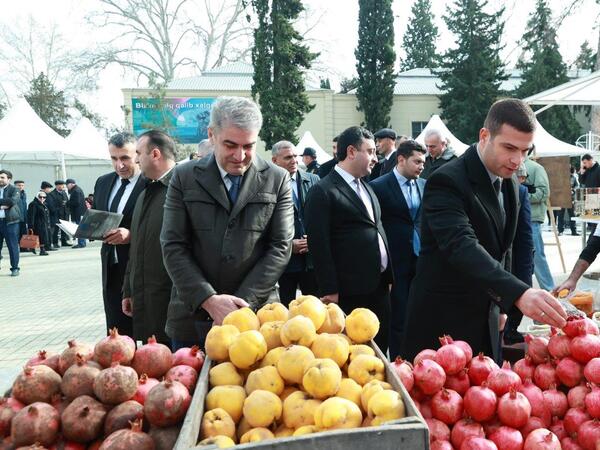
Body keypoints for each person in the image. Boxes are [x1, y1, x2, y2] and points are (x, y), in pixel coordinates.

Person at [401, 98, 567, 362]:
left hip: (488, 322)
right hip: (442, 327)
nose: (517, 160)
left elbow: (506, 248)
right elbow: (461, 245)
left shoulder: (510, 181)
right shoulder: (446, 180)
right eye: (509, 147)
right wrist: (518, 293)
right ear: (484, 136)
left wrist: (505, 305)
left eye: (525, 151)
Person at [161, 96, 294, 350]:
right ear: (212, 135)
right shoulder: (184, 177)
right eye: (230, 145)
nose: (240, 156)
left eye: (248, 146)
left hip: (258, 316)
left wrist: (237, 309)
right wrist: (209, 300)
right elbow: (172, 245)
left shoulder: (277, 179)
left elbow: (280, 247)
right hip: (193, 314)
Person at [304, 126, 392, 352]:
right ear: (351, 152)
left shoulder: (367, 187)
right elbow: (319, 245)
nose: (375, 158)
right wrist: (329, 290)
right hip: (348, 291)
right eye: (370, 152)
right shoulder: (323, 191)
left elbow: (376, 228)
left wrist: (388, 274)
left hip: (378, 287)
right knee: (353, 353)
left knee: (379, 351)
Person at [370, 139, 426, 358]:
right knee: (397, 316)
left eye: (424, 162)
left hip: (420, 260)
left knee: (419, 315)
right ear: (401, 159)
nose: (422, 166)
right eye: (417, 161)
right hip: (394, 262)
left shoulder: (424, 185)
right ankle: (398, 362)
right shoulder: (379, 186)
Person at [121, 130, 176, 346]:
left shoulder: (184, 190)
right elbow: (136, 248)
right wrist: (129, 290)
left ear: (155, 154)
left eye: (138, 153)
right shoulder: (145, 193)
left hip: (172, 304)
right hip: (145, 300)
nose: (135, 159)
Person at [93, 132, 148, 337]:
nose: (120, 165)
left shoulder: (150, 183)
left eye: (125, 158)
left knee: (144, 331)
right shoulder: (103, 182)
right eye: (114, 159)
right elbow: (100, 215)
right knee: (116, 331)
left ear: (137, 155)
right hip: (111, 265)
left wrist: (132, 235)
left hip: (139, 268)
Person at [272, 141, 320, 306]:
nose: (293, 160)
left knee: (315, 310)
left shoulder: (313, 180)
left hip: (312, 261)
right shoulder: (267, 185)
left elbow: (321, 216)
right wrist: (288, 245)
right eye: (287, 157)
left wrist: (313, 240)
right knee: (287, 310)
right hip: (285, 264)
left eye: (295, 156)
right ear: (274, 161)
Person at [504, 163, 535, 345]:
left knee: (520, 286)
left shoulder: (520, 192)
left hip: (515, 254)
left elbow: (525, 235)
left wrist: (526, 270)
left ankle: (511, 328)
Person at [524, 156, 555, 291]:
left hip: (531, 218)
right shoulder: (506, 166)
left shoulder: (536, 168)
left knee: (537, 257)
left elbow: (543, 193)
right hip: (513, 217)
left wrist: (521, 194)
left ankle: (550, 291)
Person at [0, 170, 21, 276]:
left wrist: (6, 202)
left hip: (10, 223)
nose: (0, 179)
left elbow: (12, 201)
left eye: (2, 177)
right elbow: (8, 202)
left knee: (12, 246)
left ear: (9, 179)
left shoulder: (14, 189)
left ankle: (15, 268)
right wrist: (4, 203)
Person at [27, 191, 52, 256]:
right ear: (37, 197)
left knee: (43, 237)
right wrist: (31, 226)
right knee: (40, 237)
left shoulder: (44, 204)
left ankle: (37, 248)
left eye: (44, 197)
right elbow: (31, 215)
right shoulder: (33, 204)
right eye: (40, 197)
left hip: (44, 224)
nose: (42, 198)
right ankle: (42, 250)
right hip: (37, 224)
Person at [48, 181, 70, 248]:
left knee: (64, 228)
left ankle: (64, 241)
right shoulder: (52, 194)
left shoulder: (64, 193)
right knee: (56, 230)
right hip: (56, 214)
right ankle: (55, 242)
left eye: (63, 185)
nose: (63, 187)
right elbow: (51, 205)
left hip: (64, 213)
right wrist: (60, 205)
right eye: (61, 185)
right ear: (57, 186)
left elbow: (67, 202)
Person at [557, 166, 579, 236]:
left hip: (570, 198)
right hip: (561, 198)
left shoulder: (573, 177)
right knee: (560, 215)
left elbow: (577, 185)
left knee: (572, 215)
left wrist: (573, 190)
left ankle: (574, 231)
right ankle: (560, 231)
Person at [66, 179, 87, 248]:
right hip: (81, 212)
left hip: (78, 212)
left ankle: (81, 243)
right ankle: (82, 243)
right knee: (81, 228)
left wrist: (67, 203)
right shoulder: (77, 189)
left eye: (67, 185)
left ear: (71, 184)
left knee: (79, 228)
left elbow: (76, 202)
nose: (66, 186)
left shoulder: (75, 191)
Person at [14, 180, 28, 246]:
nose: (21, 187)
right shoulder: (13, 194)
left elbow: (25, 206)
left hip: (23, 217)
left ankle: (23, 247)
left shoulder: (24, 194)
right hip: (16, 218)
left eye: (22, 185)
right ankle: (17, 247)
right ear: (15, 186)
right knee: (16, 234)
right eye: (19, 185)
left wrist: (26, 217)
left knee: (23, 233)